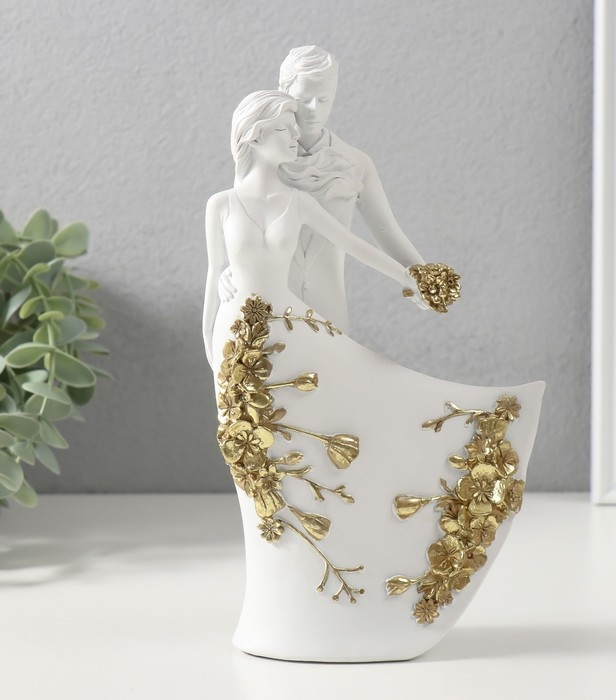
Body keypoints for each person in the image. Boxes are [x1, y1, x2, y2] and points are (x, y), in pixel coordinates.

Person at [203, 90, 543, 663]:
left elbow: (357, 247)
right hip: (235, 348)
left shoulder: (297, 202)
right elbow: (214, 280)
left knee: (319, 451)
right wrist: (212, 355)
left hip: (293, 340)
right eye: (284, 130)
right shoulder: (221, 205)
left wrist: (414, 278)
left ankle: (330, 614)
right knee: (258, 477)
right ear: (254, 137)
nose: (295, 137)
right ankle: (278, 616)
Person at [217, 45, 426, 331]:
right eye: (303, 100)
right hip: (268, 310)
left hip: (328, 306)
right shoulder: (263, 160)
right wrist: (225, 271)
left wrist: (424, 277)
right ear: (283, 92)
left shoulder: (356, 164)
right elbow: (240, 224)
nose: (314, 109)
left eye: (324, 99)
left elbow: (385, 229)